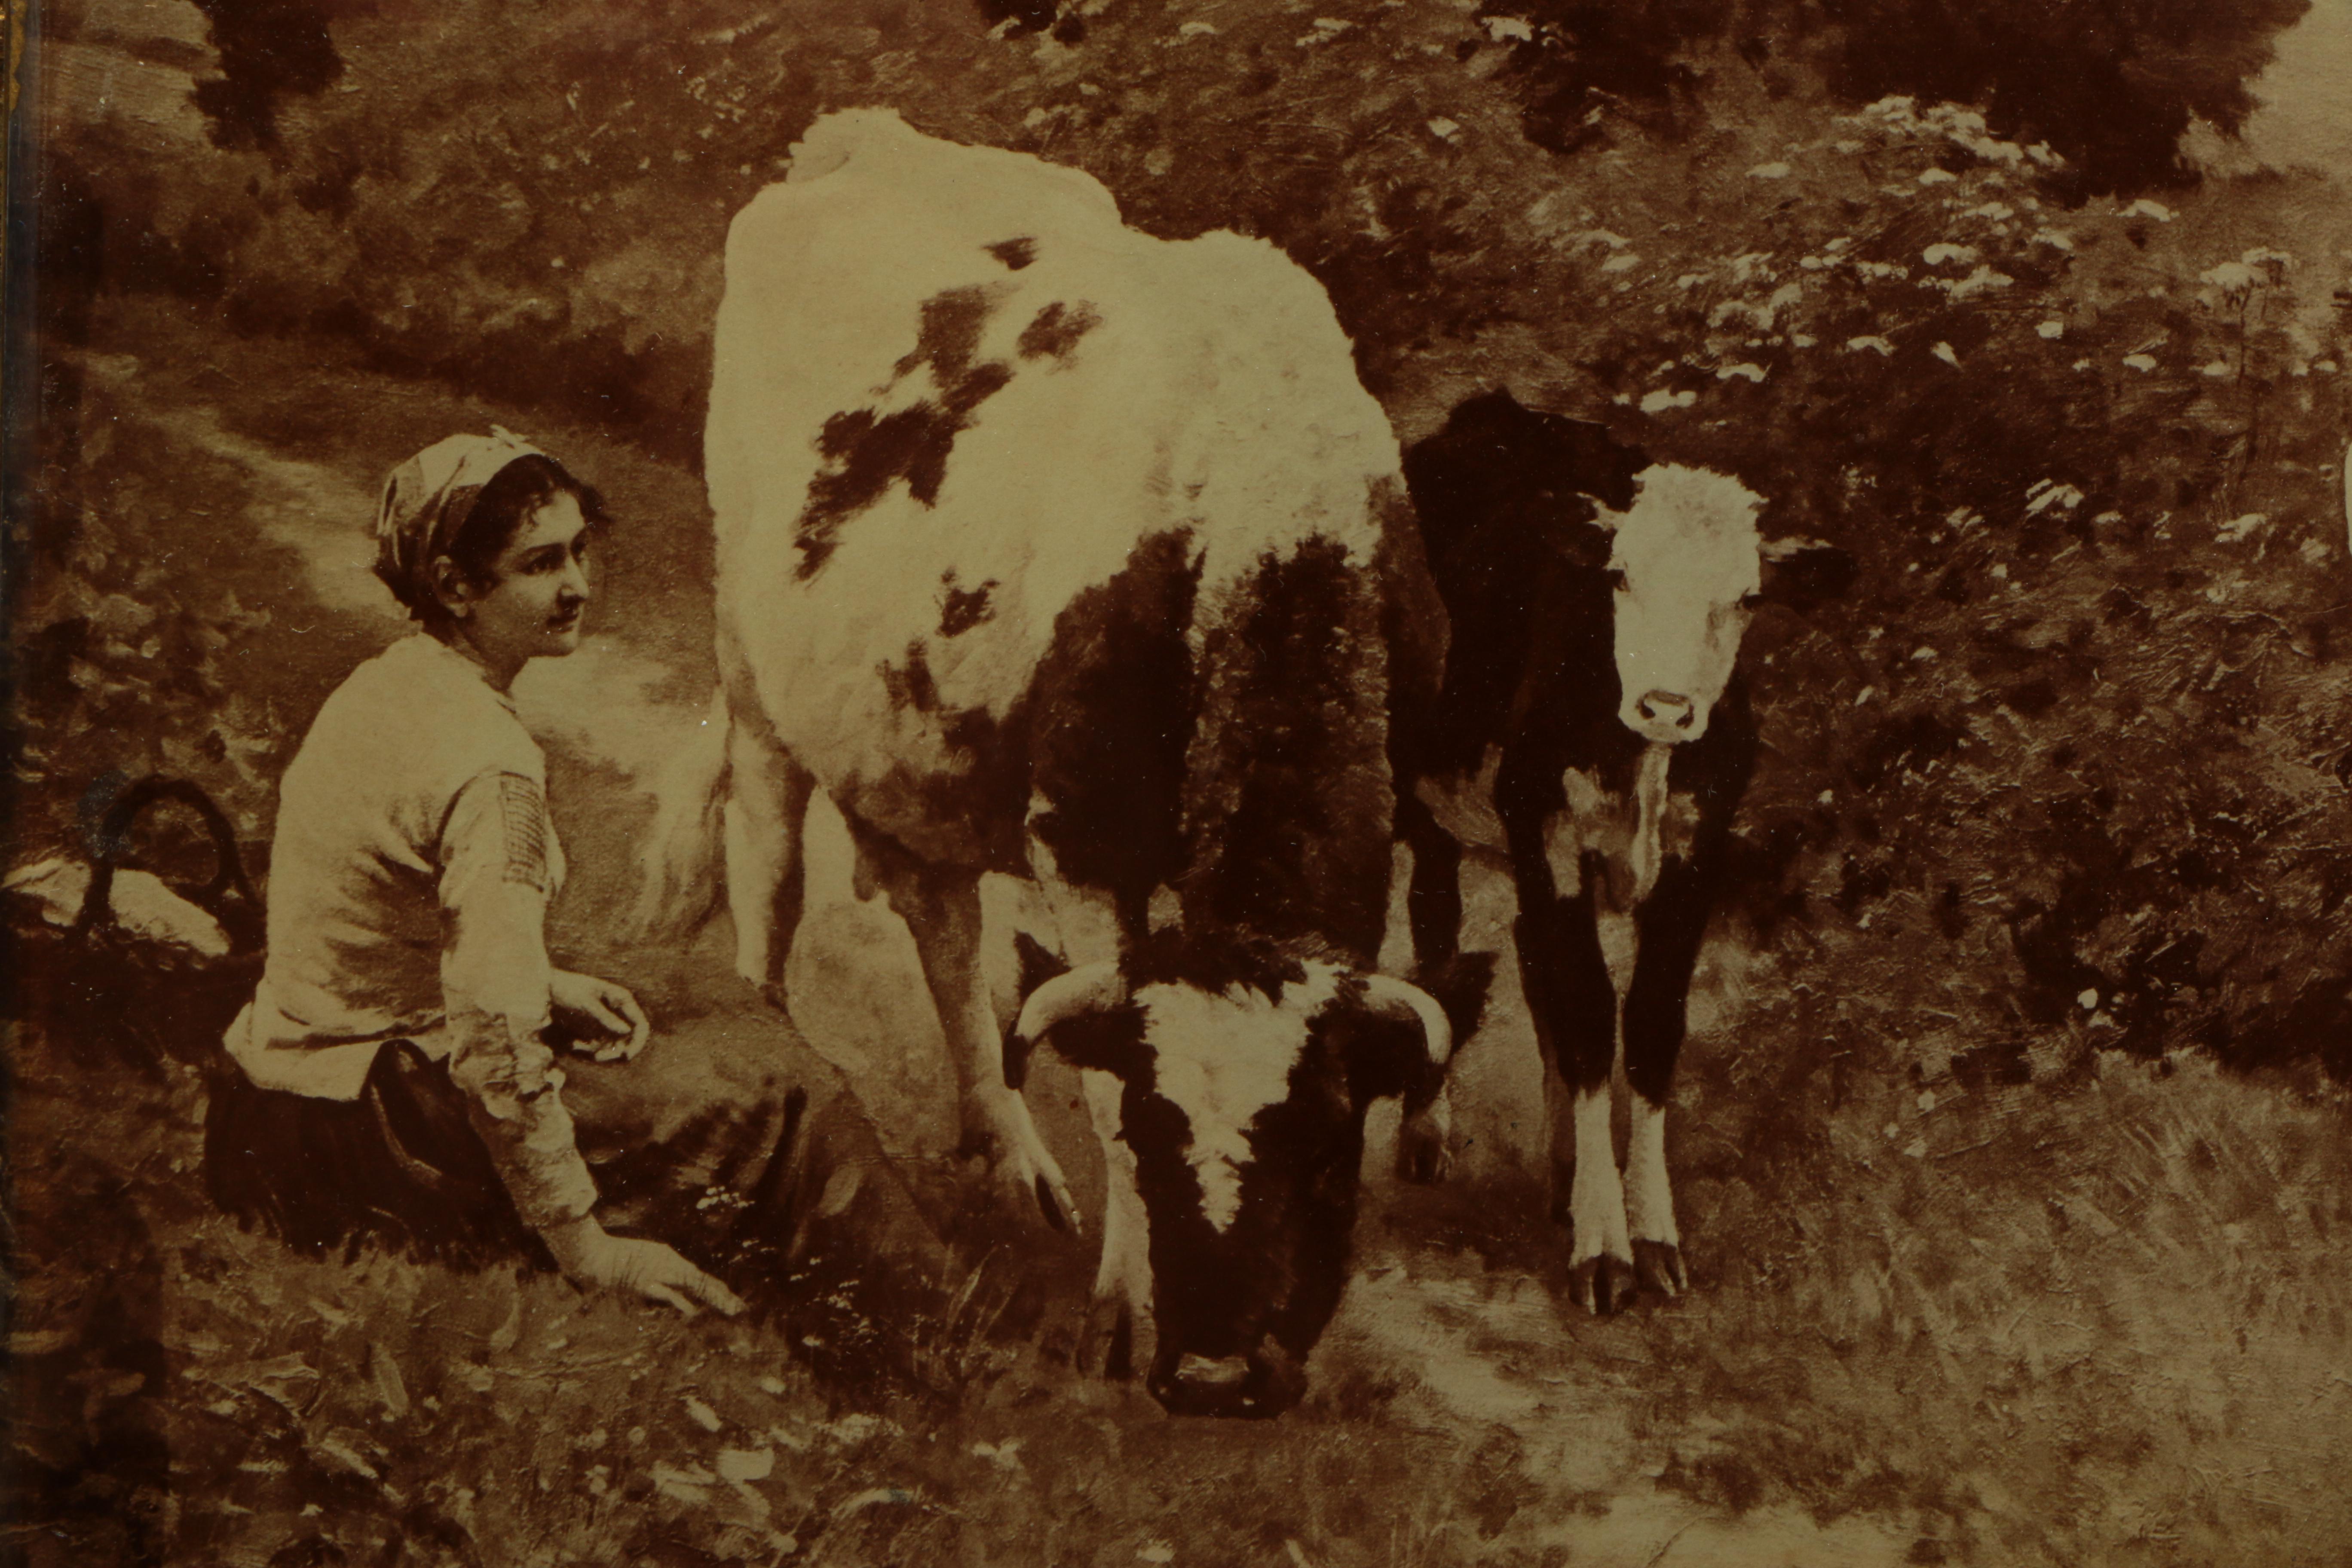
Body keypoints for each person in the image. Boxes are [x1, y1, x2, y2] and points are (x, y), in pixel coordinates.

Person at [207, 429, 946, 1331]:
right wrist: (587, 1244)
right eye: (541, 564)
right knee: (782, 1092)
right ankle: (930, 1331)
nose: (579, 585)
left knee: (705, 1005)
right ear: (454, 585)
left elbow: (369, 925)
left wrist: (548, 985)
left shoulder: (387, 685)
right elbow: (493, 1034)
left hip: (267, 1117)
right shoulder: (489, 768)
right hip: (376, 1141)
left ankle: (840, 1285)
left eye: (579, 551)